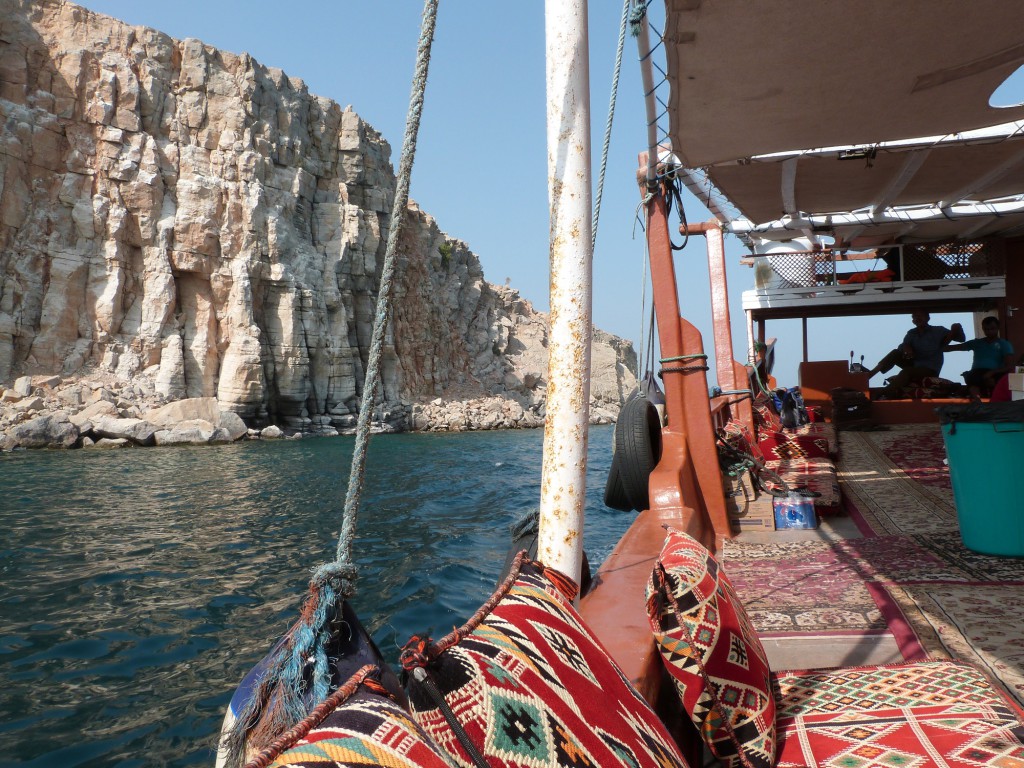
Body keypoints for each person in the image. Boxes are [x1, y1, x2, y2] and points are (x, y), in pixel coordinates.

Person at [866, 310, 965, 399]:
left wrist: (956, 328)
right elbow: (902, 347)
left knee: (907, 372)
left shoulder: (938, 330)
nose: (917, 318)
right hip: (914, 363)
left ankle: (884, 392)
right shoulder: (911, 333)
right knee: (895, 353)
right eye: (914, 317)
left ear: (928, 318)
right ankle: (871, 374)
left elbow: (961, 339)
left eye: (919, 316)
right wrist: (906, 348)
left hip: (929, 368)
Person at [944, 316, 1015, 400]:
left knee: (993, 380)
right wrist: (952, 333)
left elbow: (1009, 366)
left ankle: (995, 400)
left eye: (992, 328)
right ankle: (977, 401)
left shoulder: (1004, 344)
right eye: (986, 329)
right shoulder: (977, 343)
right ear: (983, 329)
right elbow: (949, 348)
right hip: (976, 373)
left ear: (998, 328)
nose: (989, 331)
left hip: (996, 373)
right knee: (972, 376)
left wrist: (991, 372)